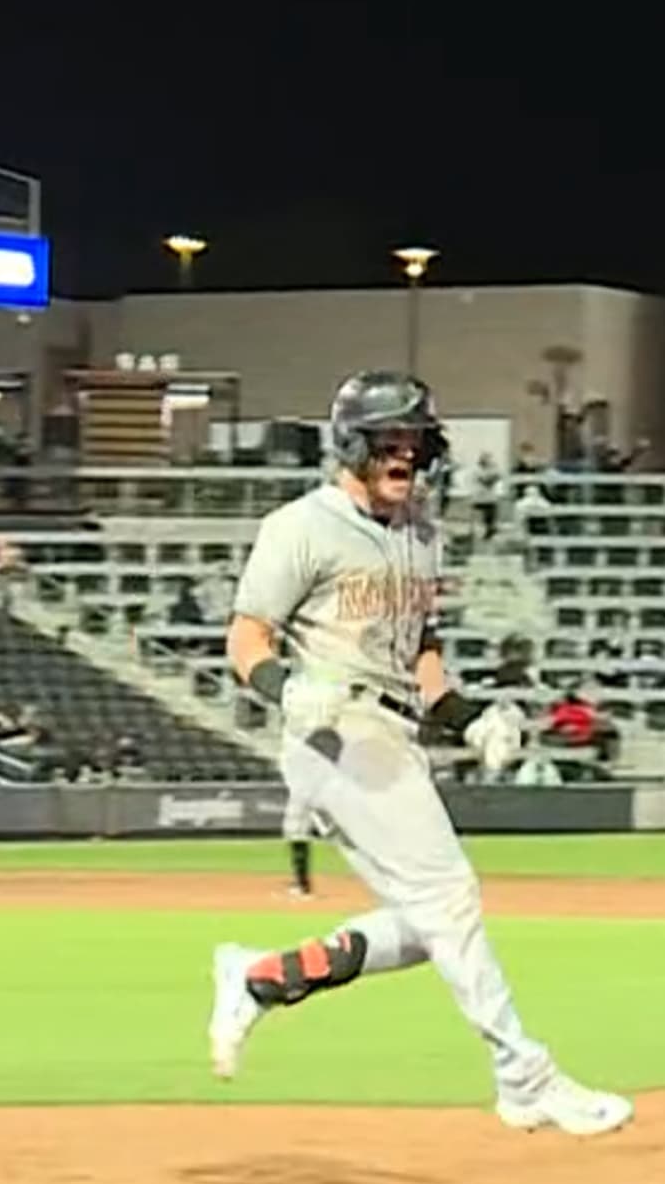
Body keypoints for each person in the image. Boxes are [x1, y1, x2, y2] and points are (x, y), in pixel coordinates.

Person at [204, 369, 630, 1137]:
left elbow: (421, 651)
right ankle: (523, 1076)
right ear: (353, 444)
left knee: (428, 921)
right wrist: (283, 687)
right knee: (452, 898)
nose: (404, 455)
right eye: (388, 441)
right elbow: (245, 640)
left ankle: (263, 977)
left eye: (414, 441)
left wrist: (464, 717)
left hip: (394, 734)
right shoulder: (300, 527)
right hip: (337, 733)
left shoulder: (422, 533)